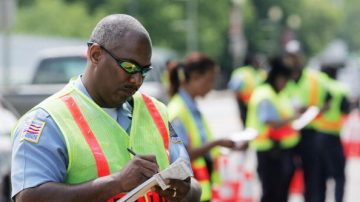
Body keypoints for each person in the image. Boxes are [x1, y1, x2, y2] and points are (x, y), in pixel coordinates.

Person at [11, 14, 201, 202]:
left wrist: (183, 190)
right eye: (129, 66)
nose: (137, 80)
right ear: (95, 55)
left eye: (144, 71)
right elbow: (29, 198)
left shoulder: (155, 111)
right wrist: (116, 183)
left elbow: (193, 186)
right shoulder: (48, 120)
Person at [166, 53, 237, 202]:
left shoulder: (191, 107)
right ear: (195, 77)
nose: (211, 87)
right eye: (210, 80)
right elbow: (183, 154)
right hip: (188, 190)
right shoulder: (178, 110)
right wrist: (217, 143)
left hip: (199, 188)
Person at [283, 40, 333, 202]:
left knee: (313, 178)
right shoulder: (281, 78)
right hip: (287, 133)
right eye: (290, 56)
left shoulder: (315, 78)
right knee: (284, 177)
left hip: (310, 133)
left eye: (295, 56)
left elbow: (328, 102)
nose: (293, 60)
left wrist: (313, 109)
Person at [246, 56, 300, 202]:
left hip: (279, 150)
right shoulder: (265, 95)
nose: (286, 84)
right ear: (278, 78)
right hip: (269, 152)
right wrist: (294, 118)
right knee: (271, 192)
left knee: (280, 192)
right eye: (285, 80)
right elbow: (271, 122)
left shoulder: (277, 94)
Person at [314, 61, 351, 202]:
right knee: (339, 176)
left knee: (320, 175)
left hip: (316, 136)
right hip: (332, 136)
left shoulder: (317, 86)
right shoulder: (339, 88)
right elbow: (345, 109)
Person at [228, 53, 267, 126]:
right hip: (245, 104)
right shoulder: (242, 72)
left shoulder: (262, 73)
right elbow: (235, 89)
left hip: (257, 104)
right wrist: (240, 103)